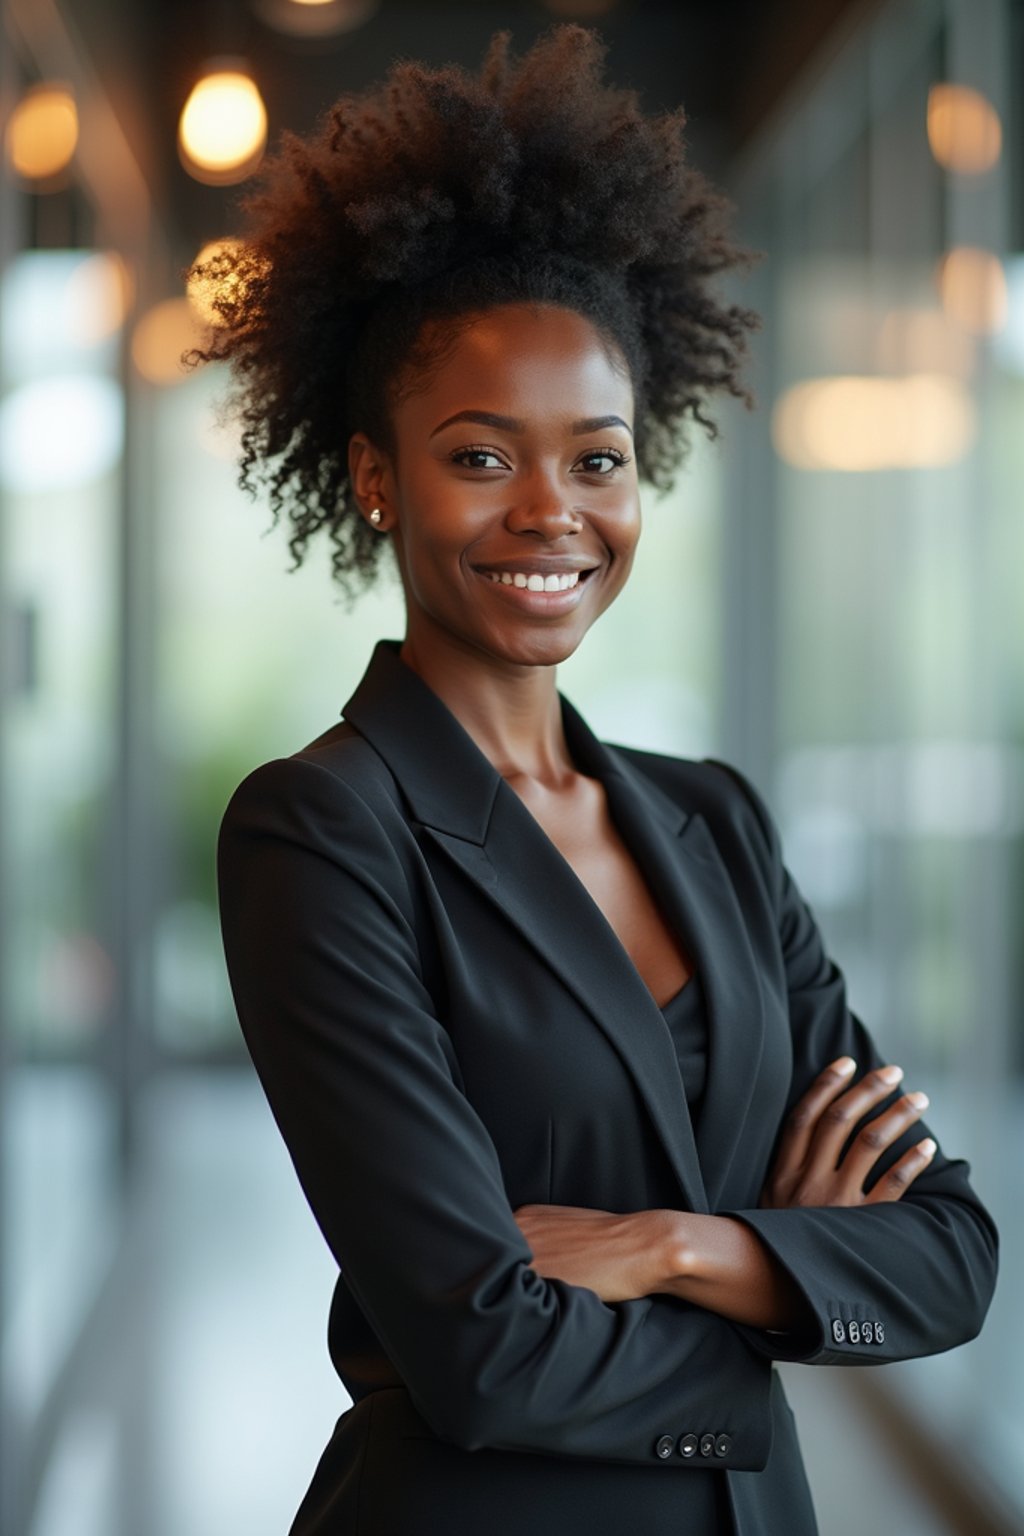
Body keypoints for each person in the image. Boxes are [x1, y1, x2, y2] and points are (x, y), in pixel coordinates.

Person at [196, 24, 998, 1535]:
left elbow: (949, 1249)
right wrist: (785, 1274)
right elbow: (481, 1352)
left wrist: (669, 1247)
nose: (552, 513)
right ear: (375, 476)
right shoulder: (323, 831)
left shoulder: (713, 820)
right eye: (481, 456)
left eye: (600, 458)